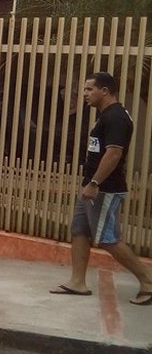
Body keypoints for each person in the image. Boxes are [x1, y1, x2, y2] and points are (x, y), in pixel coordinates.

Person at [50, 72, 152, 306]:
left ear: (104, 91)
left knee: (107, 238)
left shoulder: (116, 117)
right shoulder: (106, 115)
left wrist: (95, 183)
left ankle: (148, 281)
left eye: (89, 89)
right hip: (92, 185)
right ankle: (77, 282)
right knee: (79, 230)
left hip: (104, 188)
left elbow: (114, 153)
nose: (84, 94)